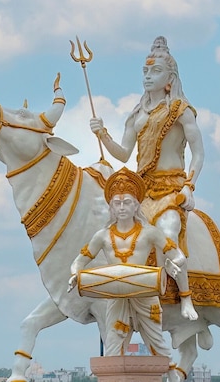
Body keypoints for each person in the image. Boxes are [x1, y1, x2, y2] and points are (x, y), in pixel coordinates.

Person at [89, 35, 202, 321]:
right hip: (142, 191)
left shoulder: (180, 111)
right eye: (145, 71)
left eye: (155, 72)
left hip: (171, 187)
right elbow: (124, 154)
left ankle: (185, 297)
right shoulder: (137, 114)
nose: (148, 76)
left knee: (167, 231)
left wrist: (190, 185)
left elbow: (199, 153)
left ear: (170, 79)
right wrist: (103, 134)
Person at [68, 168, 188, 357]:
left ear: (136, 206)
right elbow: (79, 260)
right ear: (111, 208)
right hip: (116, 295)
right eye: (117, 203)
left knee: (156, 343)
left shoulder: (150, 232)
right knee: (113, 347)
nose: (122, 207)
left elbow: (177, 255)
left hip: (145, 291)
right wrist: (76, 273)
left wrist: (172, 264)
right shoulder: (102, 236)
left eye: (127, 202)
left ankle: (172, 379)